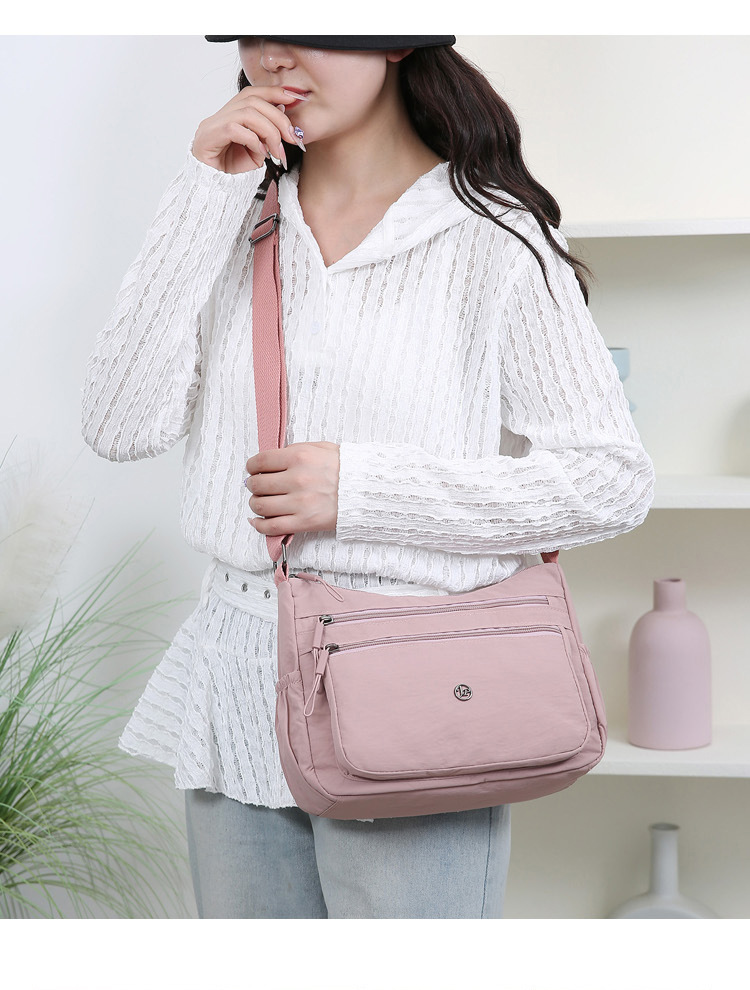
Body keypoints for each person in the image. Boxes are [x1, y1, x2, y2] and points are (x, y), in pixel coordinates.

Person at [80, 35, 656, 919]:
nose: (273, 58)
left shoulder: (495, 238)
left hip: (417, 682)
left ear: (390, 41)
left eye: (306, 28)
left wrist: (359, 492)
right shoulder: (230, 216)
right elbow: (120, 427)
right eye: (253, 33)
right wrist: (205, 192)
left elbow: (610, 479)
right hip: (237, 686)